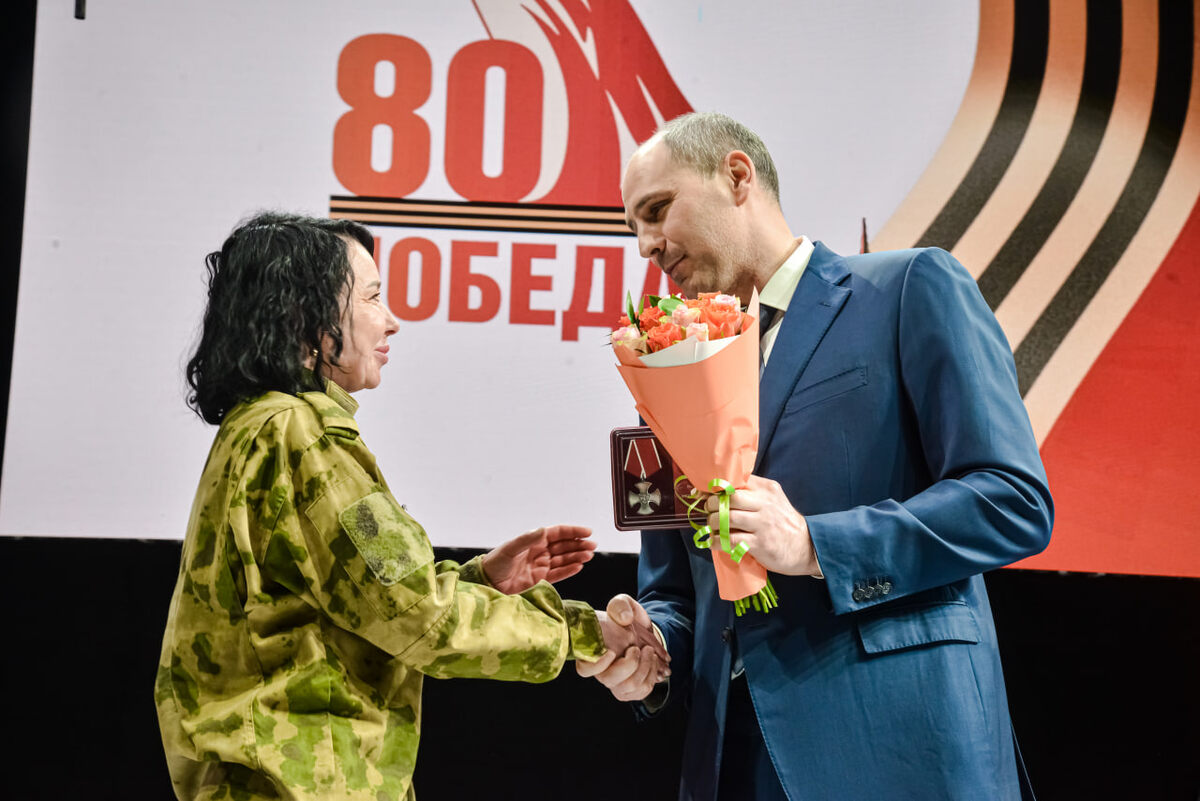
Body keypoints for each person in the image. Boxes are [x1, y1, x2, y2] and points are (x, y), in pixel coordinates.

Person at [578, 112, 1053, 800]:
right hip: (731, 766)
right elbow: (677, 594)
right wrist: (652, 646)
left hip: (898, 752)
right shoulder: (664, 367)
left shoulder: (909, 288)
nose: (648, 244)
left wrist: (816, 544)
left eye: (657, 210)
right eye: (635, 228)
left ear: (737, 176)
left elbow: (1013, 500)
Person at [154, 212, 666, 801]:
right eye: (371, 297)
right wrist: (587, 632)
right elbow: (419, 616)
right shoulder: (304, 437)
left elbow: (360, 599)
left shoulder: (260, 425)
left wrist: (480, 581)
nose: (392, 321)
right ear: (306, 320)